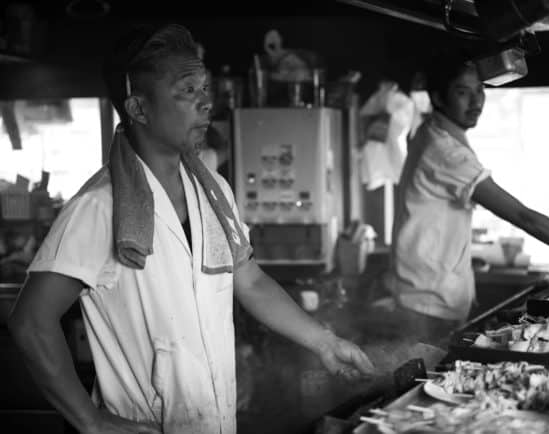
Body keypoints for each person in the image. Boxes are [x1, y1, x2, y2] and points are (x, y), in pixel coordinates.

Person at [8, 23, 374, 434]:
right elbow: (31, 322)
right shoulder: (99, 207)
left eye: (205, 90)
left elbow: (250, 282)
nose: (205, 104)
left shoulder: (212, 190)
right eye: (187, 91)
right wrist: (90, 422)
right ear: (138, 109)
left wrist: (325, 342)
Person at [390, 53, 549, 324]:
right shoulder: (445, 152)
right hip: (427, 304)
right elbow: (522, 217)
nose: (476, 102)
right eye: (462, 92)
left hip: (428, 297)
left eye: (480, 90)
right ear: (437, 97)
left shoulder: (435, 133)